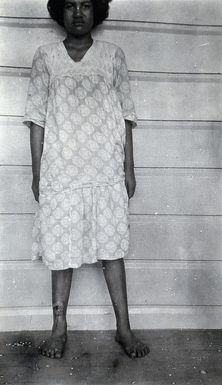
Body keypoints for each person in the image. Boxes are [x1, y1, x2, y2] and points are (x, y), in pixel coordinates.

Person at [23, 0, 149, 360]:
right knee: (61, 252)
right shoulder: (46, 56)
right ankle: (59, 328)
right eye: (70, 6)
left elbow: (126, 116)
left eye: (86, 5)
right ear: (59, 12)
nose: (78, 13)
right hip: (61, 169)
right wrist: (37, 173)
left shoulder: (112, 55)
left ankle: (124, 329)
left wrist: (129, 168)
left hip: (105, 169)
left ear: (97, 11)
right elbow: (36, 119)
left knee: (112, 250)